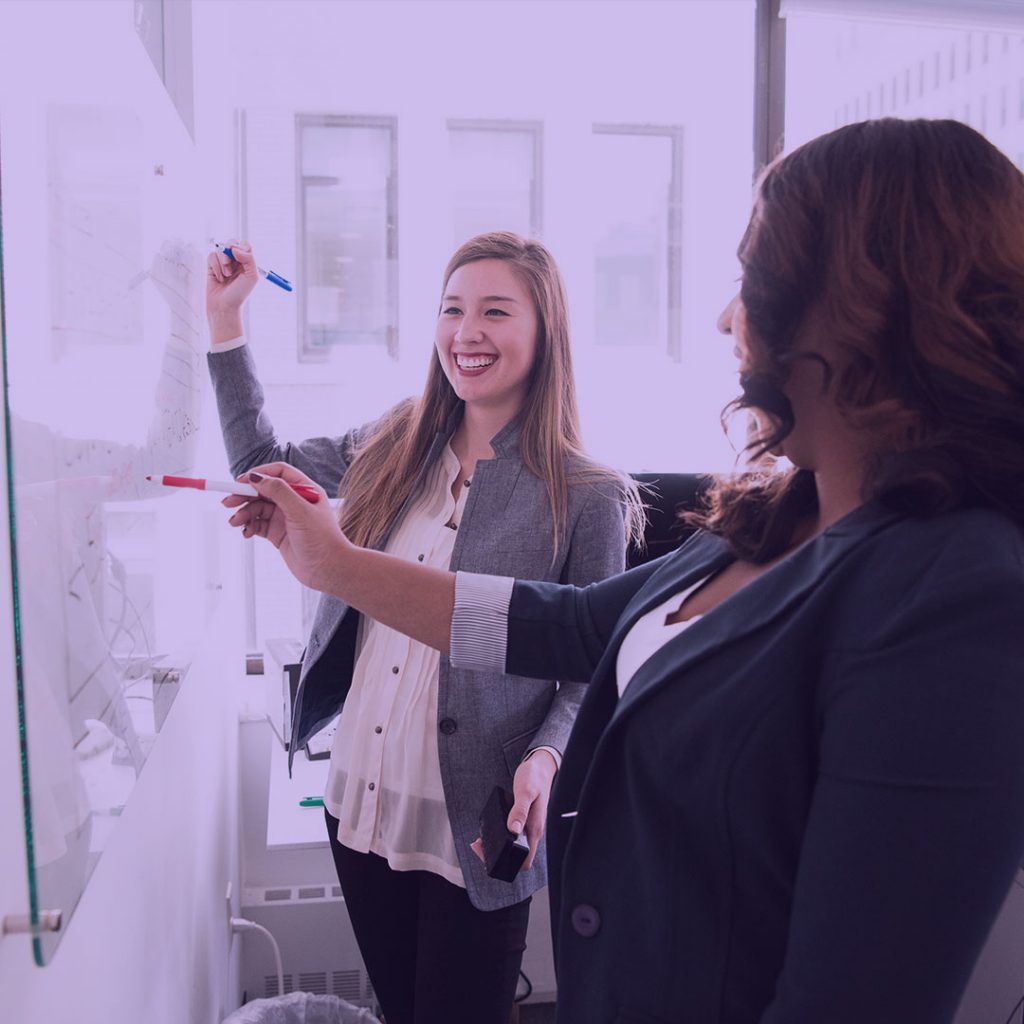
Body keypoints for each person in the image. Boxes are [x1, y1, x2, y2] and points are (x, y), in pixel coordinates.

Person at [221, 119, 1024, 1023]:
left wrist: (537, 753)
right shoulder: (772, 518)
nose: (728, 316)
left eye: (753, 280)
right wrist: (335, 565)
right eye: (453, 308)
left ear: (868, 305)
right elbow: (564, 624)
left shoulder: (961, 593)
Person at [205, 231, 641, 1024]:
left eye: (495, 312)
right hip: (361, 801)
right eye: (452, 309)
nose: (465, 333)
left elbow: (594, 664)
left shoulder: (587, 493)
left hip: (476, 820)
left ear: (545, 332)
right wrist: (225, 322)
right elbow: (262, 461)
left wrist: (546, 757)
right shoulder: (394, 441)